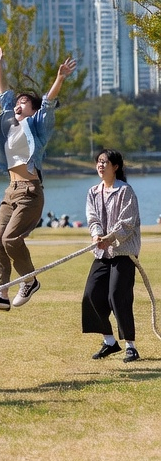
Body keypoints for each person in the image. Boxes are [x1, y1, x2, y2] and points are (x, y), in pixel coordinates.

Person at [0, 47, 77, 311]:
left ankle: (29, 280)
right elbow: (4, 97)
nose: (17, 104)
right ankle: (0, 293)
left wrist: (60, 78)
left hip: (30, 192)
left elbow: (48, 103)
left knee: (11, 239)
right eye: (17, 102)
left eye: (23, 102)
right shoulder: (11, 125)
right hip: (11, 191)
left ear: (32, 111)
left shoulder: (38, 127)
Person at [83, 149, 141, 363]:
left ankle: (131, 346)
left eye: (105, 162)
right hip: (102, 252)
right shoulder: (93, 191)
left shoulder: (126, 191)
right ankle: (109, 341)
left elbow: (128, 221)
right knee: (91, 295)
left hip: (123, 252)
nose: (100, 165)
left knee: (117, 296)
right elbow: (92, 217)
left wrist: (110, 237)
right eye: (98, 162)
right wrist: (97, 234)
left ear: (115, 166)